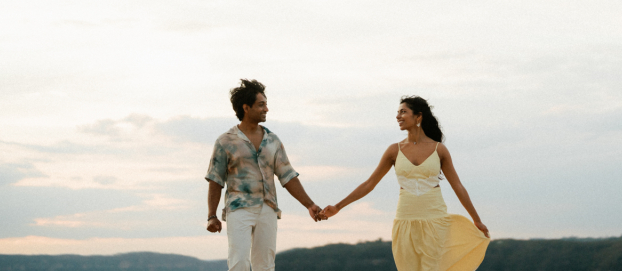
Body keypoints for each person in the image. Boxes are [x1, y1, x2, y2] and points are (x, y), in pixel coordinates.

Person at [322, 96, 490, 271]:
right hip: (405, 219)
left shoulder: (439, 149)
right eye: (398, 112)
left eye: (403, 112)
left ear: (418, 116)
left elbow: (458, 186)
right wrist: (338, 206)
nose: (398, 116)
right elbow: (369, 184)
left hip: (435, 219)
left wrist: (476, 220)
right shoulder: (394, 150)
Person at [205, 79, 324, 271]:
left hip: (268, 208)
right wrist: (212, 215)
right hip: (239, 208)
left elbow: (288, 176)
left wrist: (309, 204)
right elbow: (215, 180)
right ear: (246, 108)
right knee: (239, 263)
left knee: (265, 266)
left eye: (266, 104)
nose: (266, 109)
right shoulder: (225, 141)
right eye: (261, 105)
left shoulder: (273, 141)